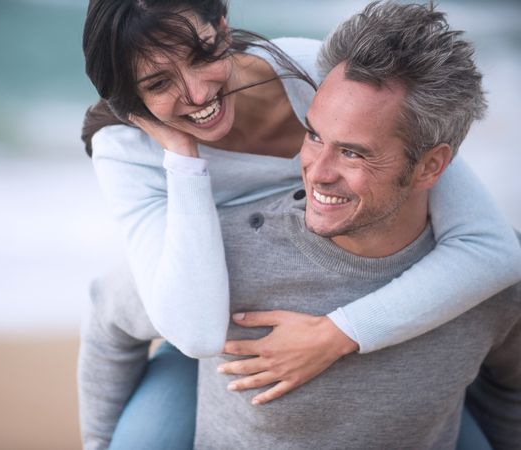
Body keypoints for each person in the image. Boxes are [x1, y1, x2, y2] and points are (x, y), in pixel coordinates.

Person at [78, 0, 521, 448]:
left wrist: (336, 334)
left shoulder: (319, 76)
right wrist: (180, 154)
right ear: (129, 99)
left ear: (224, 30)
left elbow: (490, 249)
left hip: (349, 276)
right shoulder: (127, 148)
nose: (196, 95)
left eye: (201, 55)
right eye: (157, 83)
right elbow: (194, 331)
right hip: (202, 308)